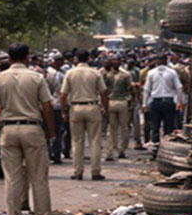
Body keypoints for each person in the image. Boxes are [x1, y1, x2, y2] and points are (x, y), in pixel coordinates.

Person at [0, 42, 59, 215]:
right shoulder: (37, 78)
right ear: (27, 58)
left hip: (8, 130)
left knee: (12, 178)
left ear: (9, 59)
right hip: (32, 129)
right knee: (39, 178)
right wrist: (51, 132)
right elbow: (47, 107)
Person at [60, 48, 109, 180]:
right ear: (89, 59)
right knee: (95, 141)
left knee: (77, 141)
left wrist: (64, 111)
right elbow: (103, 93)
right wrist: (106, 110)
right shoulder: (95, 73)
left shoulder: (70, 73)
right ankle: (95, 172)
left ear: (76, 59)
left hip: (75, 108)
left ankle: (77, 172)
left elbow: (63, 94)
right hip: (92, 107)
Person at [142, 54, 183, 153]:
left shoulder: (151, 73)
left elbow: (146, 89)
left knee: (155, 126)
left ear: (156, 62)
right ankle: (166, 148)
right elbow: (179, 87)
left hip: (156, 102)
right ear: (166, 61)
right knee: (168, 127)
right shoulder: (172, 72)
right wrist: (179, 102)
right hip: (169, 102)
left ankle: (155, 149)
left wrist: (144, 103)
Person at [102, 57, 134, 160]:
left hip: (110, 102)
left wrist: (103, 105)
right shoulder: (125, 75)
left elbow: (103, 91)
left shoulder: (106, 75)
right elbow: (131, 89)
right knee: (124, 128)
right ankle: (122, 150)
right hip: (122, 102)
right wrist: (132, 102)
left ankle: (109, 152)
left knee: (111, 128)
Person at [44, 54, 66, 164]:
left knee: (48, 131)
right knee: (56, 131)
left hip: (48, 105)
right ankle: (55, 154)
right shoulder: (55, 74)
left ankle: (51, 153)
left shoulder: (47, 73)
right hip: (56, 105)